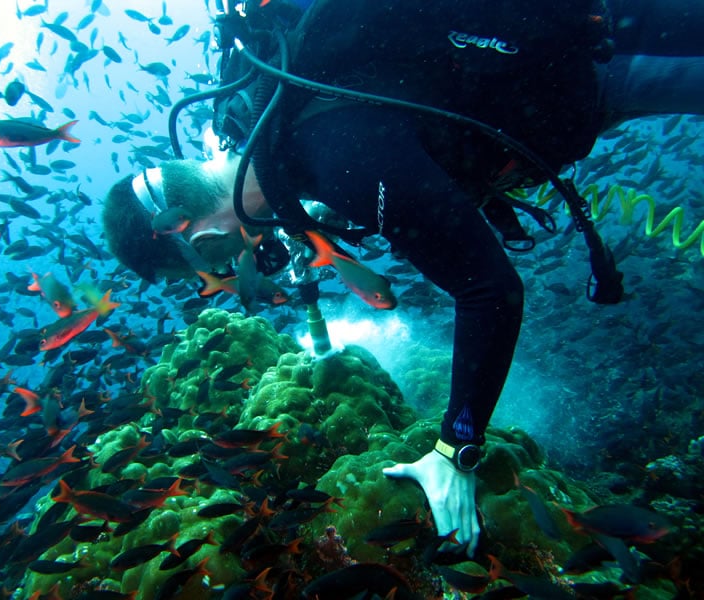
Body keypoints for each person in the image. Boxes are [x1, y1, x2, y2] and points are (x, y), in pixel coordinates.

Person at [103, 0, 704, 556]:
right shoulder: (249, 112)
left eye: (211, 268)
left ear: (205, 241)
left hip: (617, 54)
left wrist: (455, 450)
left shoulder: (342, 161)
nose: (228, 271)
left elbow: (490, 292)